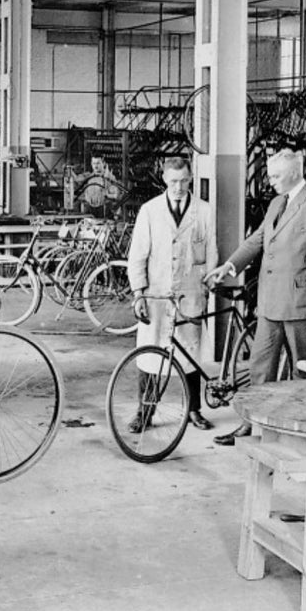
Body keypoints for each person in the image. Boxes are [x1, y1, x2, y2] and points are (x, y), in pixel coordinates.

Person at [205, 148, 306, 446]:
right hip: (270, 301)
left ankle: (302, 431)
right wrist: (230, 264)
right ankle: (252, 425)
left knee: (304, 368)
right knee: (260, 367)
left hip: (301, 302)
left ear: (292, 174)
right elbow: (259, 238)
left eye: (275, 175)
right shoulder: (277, 202)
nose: (270, 180)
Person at [126, 156, 216, 431]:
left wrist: (208, 284)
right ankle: (145, 412)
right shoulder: (150, 211)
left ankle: (193, 410)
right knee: (150, 354)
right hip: (157, 294)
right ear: (164, 180)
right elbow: (137, 255)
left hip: (190, 291)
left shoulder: (204, 210)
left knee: (190, 352)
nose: (179, 187)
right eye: (173, 181)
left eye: (184, 181)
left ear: (191, 179)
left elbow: (211, 250)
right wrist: (139, 293)